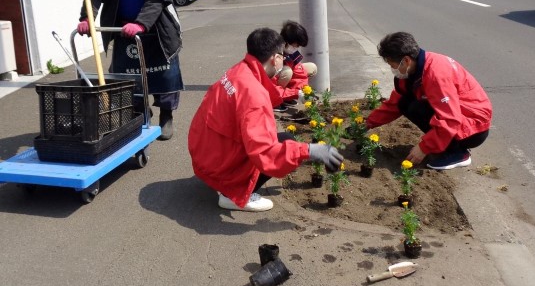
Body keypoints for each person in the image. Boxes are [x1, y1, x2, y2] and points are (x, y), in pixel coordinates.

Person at [188, 28, 343, 212]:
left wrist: (294, 94)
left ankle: (228, 185)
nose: (283, 61)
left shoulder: (240, 70)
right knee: (286, 141)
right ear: (275, 58)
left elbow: (268, 90)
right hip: (220, 165)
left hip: (205, 153)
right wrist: (309, 150)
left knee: (283, 138)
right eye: (282, 56)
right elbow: (265, 153)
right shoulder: (255, 98)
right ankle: (233, 196)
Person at [77, 0, 183, 141]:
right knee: (129, 78)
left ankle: (166, 115)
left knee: (164, 76)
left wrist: (141, 23)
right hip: (124, 28)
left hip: (156, 27)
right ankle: (140, 115)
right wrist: (87, 17)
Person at [366, 32, 492, 170]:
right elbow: (396, 102)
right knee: (405, 103)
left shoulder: (435, 74)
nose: (392, 69)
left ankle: (458, 152)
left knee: (416, 108)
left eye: (393, 65)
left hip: (474, 127)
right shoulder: (415, 70)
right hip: (458, 114)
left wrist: (424, 148)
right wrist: (367, 123)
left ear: (406, 60)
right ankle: (447, 145)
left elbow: (450, 119)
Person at [272, 20, 317, 112]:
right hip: (271, 89)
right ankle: (275, 101)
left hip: (282, 79)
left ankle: (287, 98)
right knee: (287, 72)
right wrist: (296, 93)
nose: (296, 48)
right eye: (295, 46)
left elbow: (299, 73)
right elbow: (269, 84)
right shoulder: (273, 55)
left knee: (312, 67)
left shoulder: (290, 52)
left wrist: (303, 90)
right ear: (286, 41)